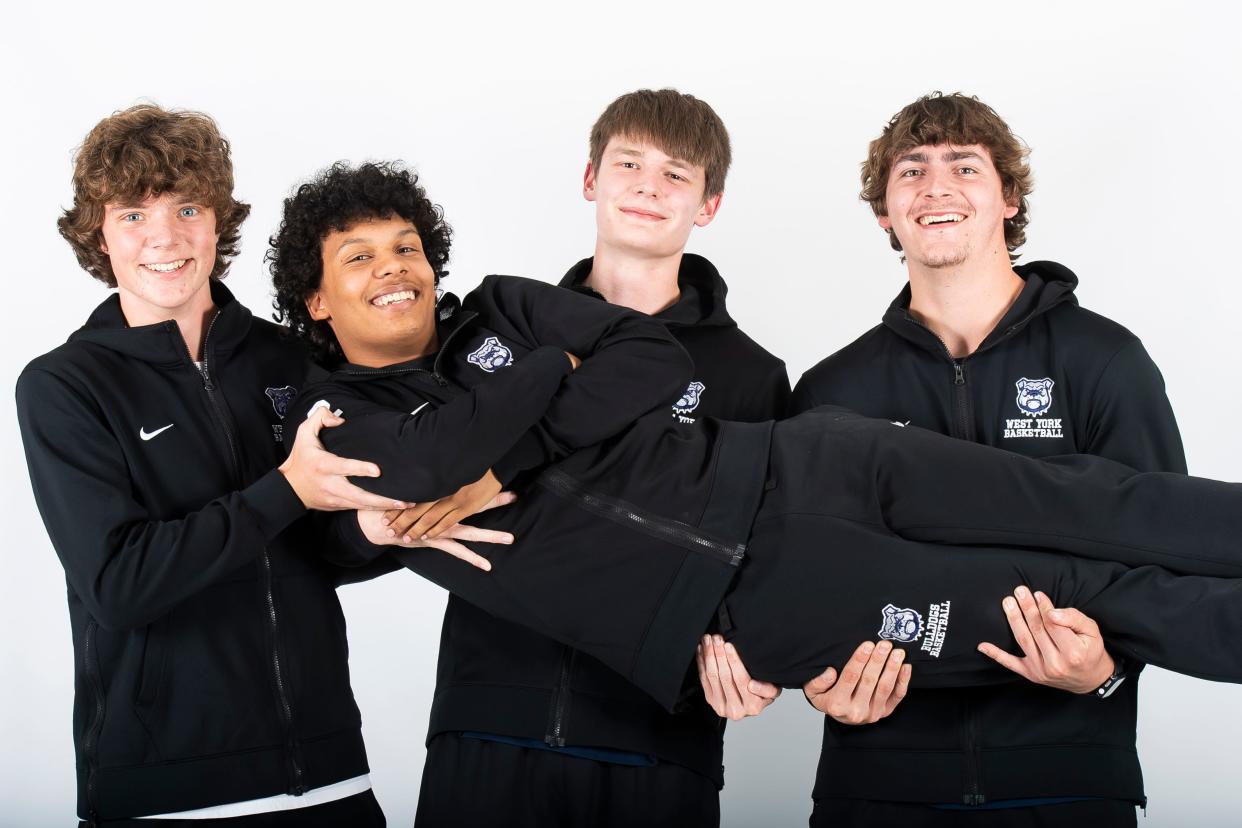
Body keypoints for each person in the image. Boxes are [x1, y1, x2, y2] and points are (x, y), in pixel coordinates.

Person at [270, 162, 1242, 726]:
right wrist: (550, 374)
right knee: (1072, 594)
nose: (396, 269)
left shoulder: (503, 307)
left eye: (407, 249)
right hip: (752, 595)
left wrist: (505, 451)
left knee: (1091, 497)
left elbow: (646, 355)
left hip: (801, 460)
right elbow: (429, 467)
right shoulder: (333, 427)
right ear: (315, 300)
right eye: (359, 258)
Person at [13, 105, 473, 826]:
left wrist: (377, 535)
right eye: (133, 214)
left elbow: (320, 548)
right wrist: (285, 488)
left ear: (219, 221)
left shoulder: (287, 358)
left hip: (331, 779)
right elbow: (120, 584)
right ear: (98, 233)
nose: (164, 237)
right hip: (167, 790)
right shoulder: (65, 386)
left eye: (188, 207)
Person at [769, 92, 1182, 826]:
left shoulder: (1104, 361)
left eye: (964, 166)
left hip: (1070, 781)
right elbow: (797, 577)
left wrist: (1108, 671)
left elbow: (1166, 553)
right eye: (911, 172)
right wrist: (821, 682)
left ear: (1010, 199)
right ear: (884, 213)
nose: (936, 188)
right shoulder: (833, 391)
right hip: (877, 786)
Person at [380, 88, 789, 827]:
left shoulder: (751, 375)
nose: (647, 186)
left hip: (655, 746)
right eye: (628, 162)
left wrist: (756, 664)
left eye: (676, 175)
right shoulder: (493, 330)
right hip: (487, 724)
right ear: (590, 178)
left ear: (709, 206)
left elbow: (764, 560)